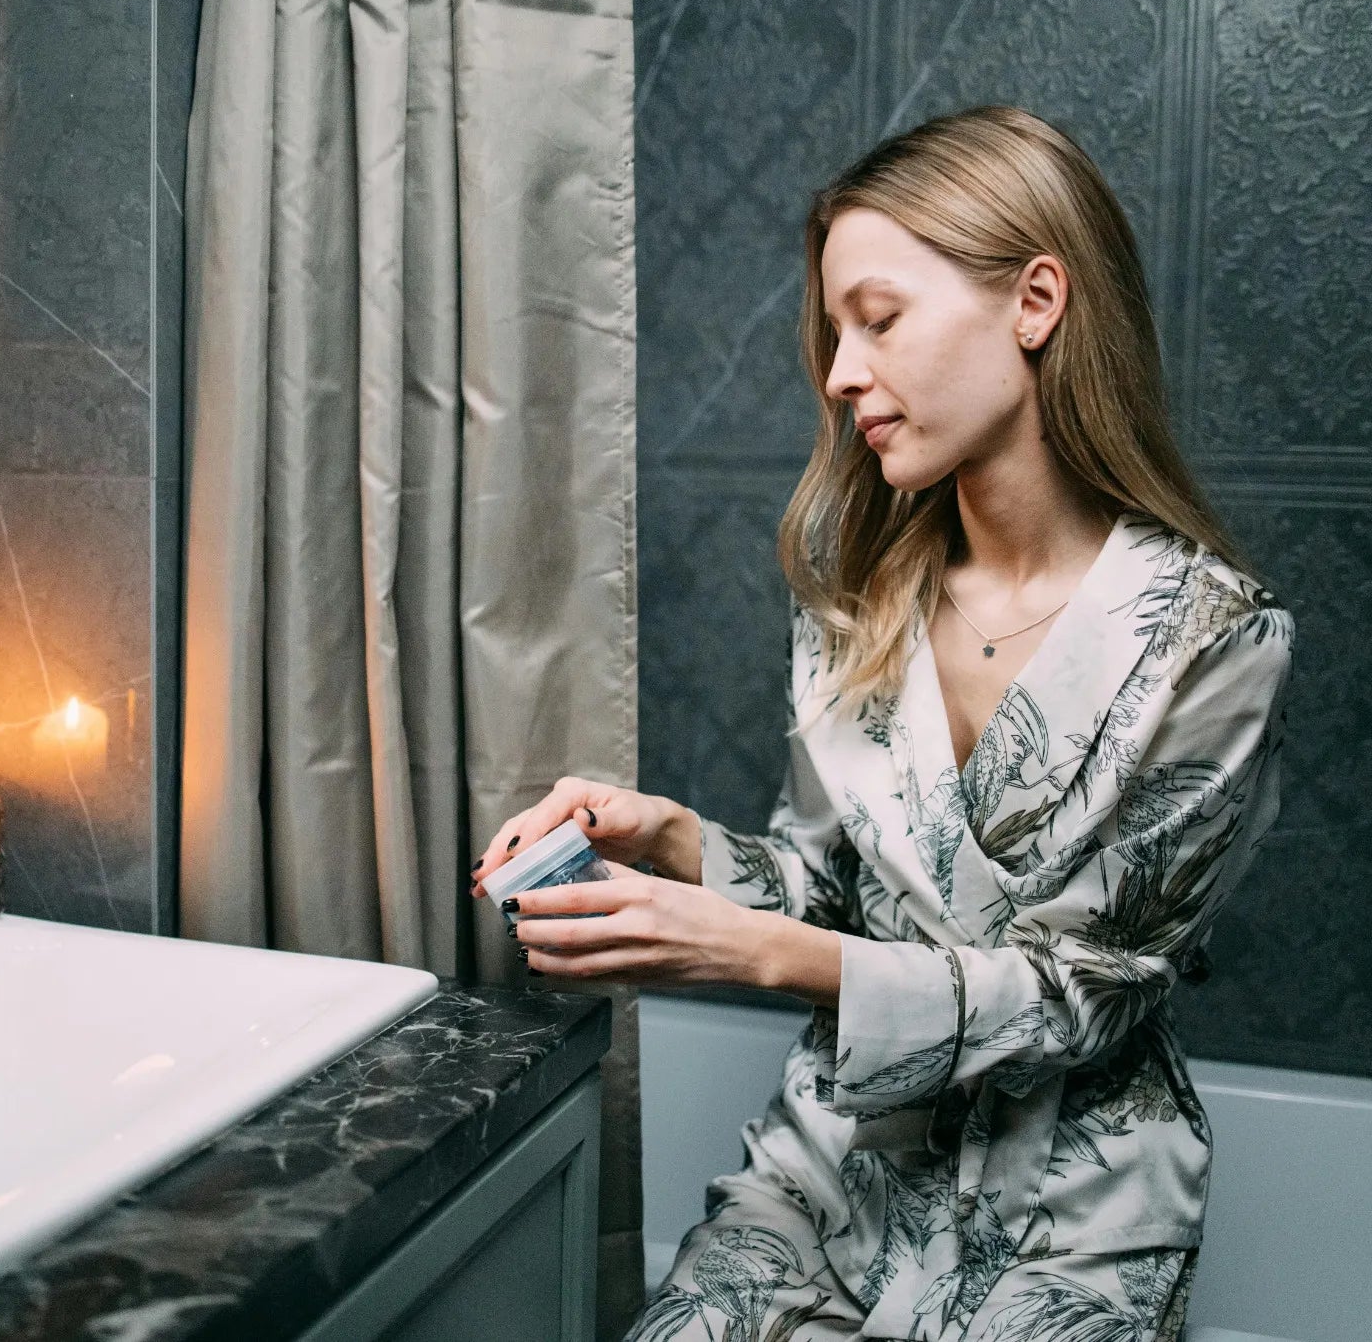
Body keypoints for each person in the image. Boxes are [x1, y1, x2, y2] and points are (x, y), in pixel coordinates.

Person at [468, 105, 1295, 1341]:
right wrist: (676, 843)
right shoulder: (854, 602)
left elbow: (1084, 997)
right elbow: (828, 888)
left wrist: (752, 955)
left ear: (1034, 301)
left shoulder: (1212, 639)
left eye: (878, 319)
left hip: (1069, 1220)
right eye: (833, 333)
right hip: (829, 1174)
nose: (840, 372)